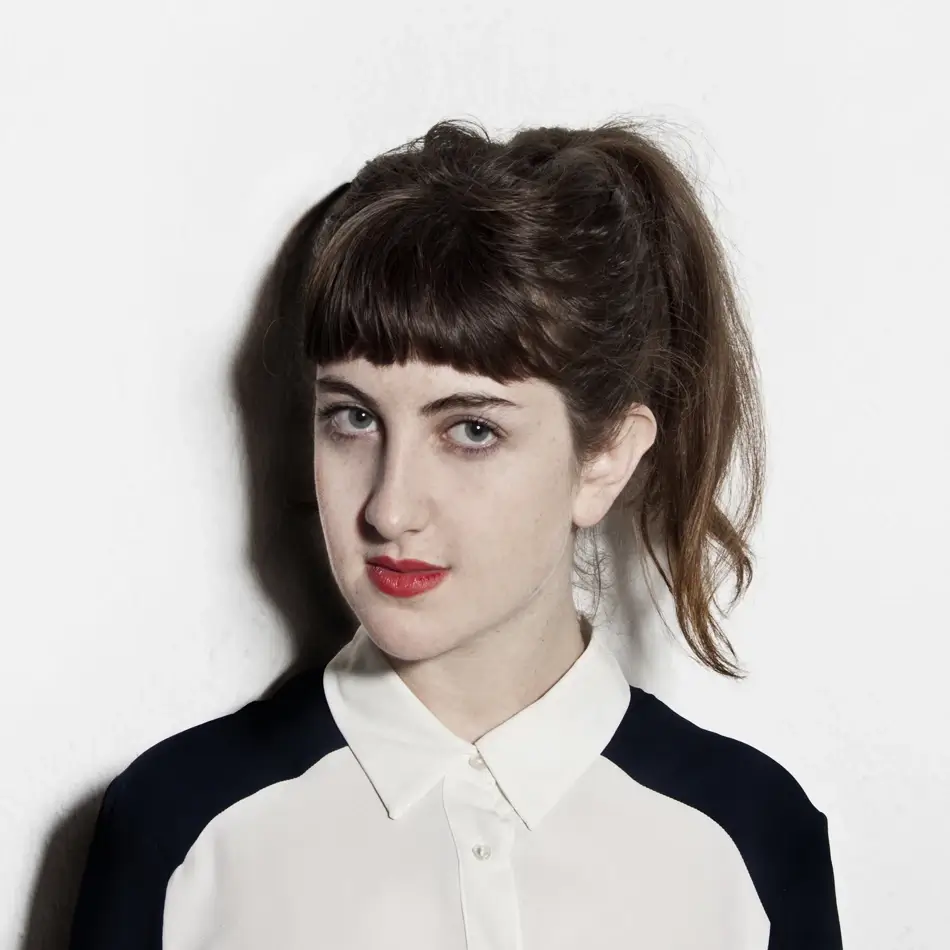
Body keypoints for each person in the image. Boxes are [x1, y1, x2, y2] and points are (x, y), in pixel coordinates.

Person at [68, 118, 842, 948]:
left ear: (605, 458)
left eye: (472, 429)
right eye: (353, 418)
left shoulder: (747, 837)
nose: (390, 508)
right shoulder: (181, 827)